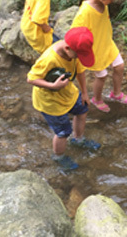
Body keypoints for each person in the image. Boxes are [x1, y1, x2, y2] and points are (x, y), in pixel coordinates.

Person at [27, 27, 100, 171]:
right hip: (50, 102)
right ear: (67, 49)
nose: (79, 58)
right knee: (62, 132)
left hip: (68, 93)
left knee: (83, 109)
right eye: (79, 55)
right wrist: (53, 86)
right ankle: (58, 156)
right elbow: (31, 78)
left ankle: (78, 139)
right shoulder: (49, 59)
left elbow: (80, 72)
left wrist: (85, 93)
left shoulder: (74, 53)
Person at [71, 0, 127, 113]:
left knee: (120, 66)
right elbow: (75, 34)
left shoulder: (103, 3)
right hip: (94, 49)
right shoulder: (85, 12)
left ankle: (116, 93)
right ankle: (97, 99)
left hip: (106, 42)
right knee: (102, 75)